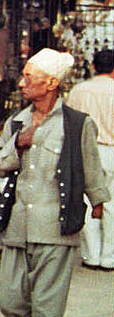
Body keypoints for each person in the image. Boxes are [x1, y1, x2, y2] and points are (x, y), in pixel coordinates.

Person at [0, 48, 108, 317]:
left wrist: (98, 203)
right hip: (18, 226)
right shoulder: (15, 122)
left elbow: (92, 168)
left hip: (57, 227)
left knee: (47, 308)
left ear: (52, 84)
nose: (23, 82)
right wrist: (18, 143)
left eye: (30, 77)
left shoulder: (78, 123)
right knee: (9, 301)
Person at [67, 48, 114, 270]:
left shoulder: (78, 91)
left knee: (85, 201)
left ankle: (91, 256)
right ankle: (109, 257)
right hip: (112, 151)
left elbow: (67, 123)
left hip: (84, 150)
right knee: (112, 205)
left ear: (93, 66)